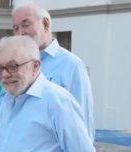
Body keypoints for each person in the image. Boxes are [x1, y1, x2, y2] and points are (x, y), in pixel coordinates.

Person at [0, 36, 95, 152]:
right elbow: (2, 149)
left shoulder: (58, 101)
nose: (4, 75)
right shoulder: (6, 100)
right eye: (0, 68)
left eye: (13, 66)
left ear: (35, 66)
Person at [12, 2, 94, 140]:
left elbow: (83, 128)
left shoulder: (71, 65)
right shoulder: (16, 65)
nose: (20, 32)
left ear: (45, 24)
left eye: (26, 25)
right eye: (15, 28)